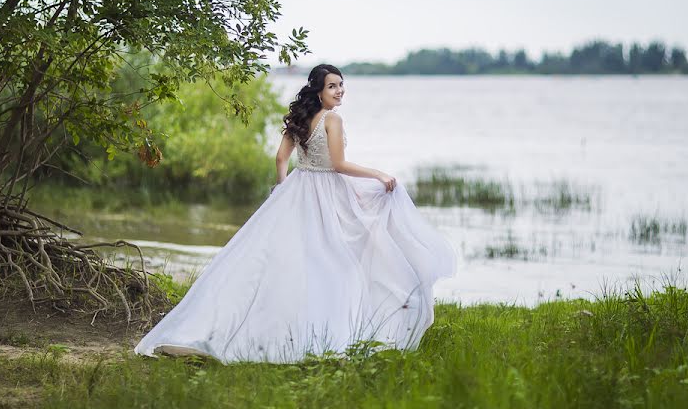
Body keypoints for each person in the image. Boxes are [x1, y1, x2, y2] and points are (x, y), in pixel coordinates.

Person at [134, 64, 456, 363]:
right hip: (327, 192)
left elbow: (280, 159)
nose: (340, 91)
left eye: (342, 85)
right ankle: (332, 328)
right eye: (333, 86)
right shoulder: (332, 120)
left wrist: (283, 191)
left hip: (298, 189)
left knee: (294, 263)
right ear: (319, 91)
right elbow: (339, 165)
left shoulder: (300, 119)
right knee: (339, 260)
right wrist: (378, 174)